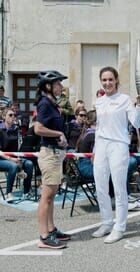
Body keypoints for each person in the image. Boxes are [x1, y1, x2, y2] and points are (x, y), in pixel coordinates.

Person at [91, 66, 140, 244]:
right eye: (104, 80)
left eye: (110, 79)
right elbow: (99, 128)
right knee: (100, 187)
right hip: (102, 146)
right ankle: (106, 222)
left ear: (116, 80)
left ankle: (119, 227)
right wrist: (95, 150)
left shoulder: (124, 99)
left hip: (118, 146)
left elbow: (136, 122)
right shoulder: (99, 101)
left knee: (119, 189)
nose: (107, 83)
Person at [34, 70, 71, 249]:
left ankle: (51, 229)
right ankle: (44, 237)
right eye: (58, 84)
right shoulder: (44, 104)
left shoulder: (52, 103)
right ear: (48, 86)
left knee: (51, 195)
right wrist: (59, 133)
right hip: (49, 154)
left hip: (55, 154)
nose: (61, 87)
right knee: (46, 197)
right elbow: (38, 129)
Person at [0, 108, 33, 203]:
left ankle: (26, 192)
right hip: (2, 159)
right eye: (10, 115)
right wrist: (12, 159)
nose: (13, 117)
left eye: (14, 115)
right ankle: (8, 193)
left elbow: (19, 146)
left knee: (29, 164)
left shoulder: (16, 129)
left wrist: (19, 158)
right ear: (3, 117)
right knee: (13, 166)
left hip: (13, 158)